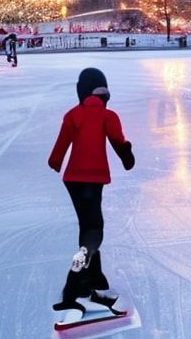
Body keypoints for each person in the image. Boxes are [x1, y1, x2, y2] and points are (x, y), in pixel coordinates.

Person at [47, 68, 135, 316]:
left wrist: (56, 162)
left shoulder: (73, 114)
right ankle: (73, 287)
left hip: (73, 180)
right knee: (94, 232)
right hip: (93, 180)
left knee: (88, 227)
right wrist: (127, 156)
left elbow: (60, 147)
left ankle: (95, 282)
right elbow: (118, 142)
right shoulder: (109, 116)